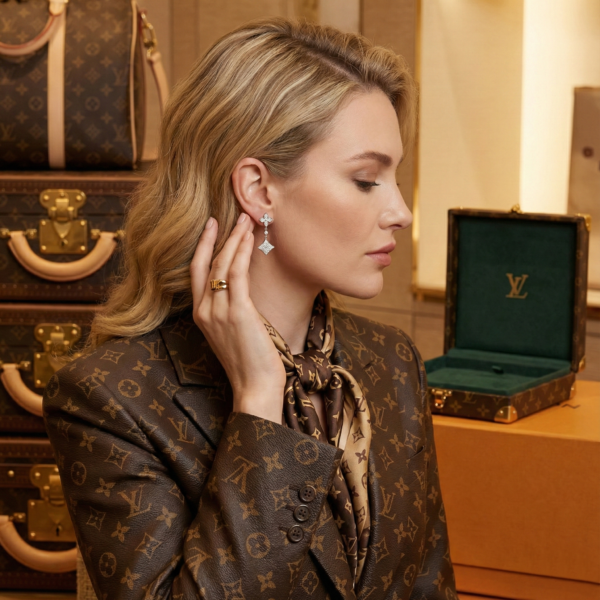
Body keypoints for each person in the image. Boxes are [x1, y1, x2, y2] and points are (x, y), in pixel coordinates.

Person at [43, 17, 456, 600]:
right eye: (367, 180)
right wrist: (259, 402)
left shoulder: (392, 362)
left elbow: (430, 587)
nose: (401, 212)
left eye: (395, 177)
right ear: (259, 190)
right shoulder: (110, 399)